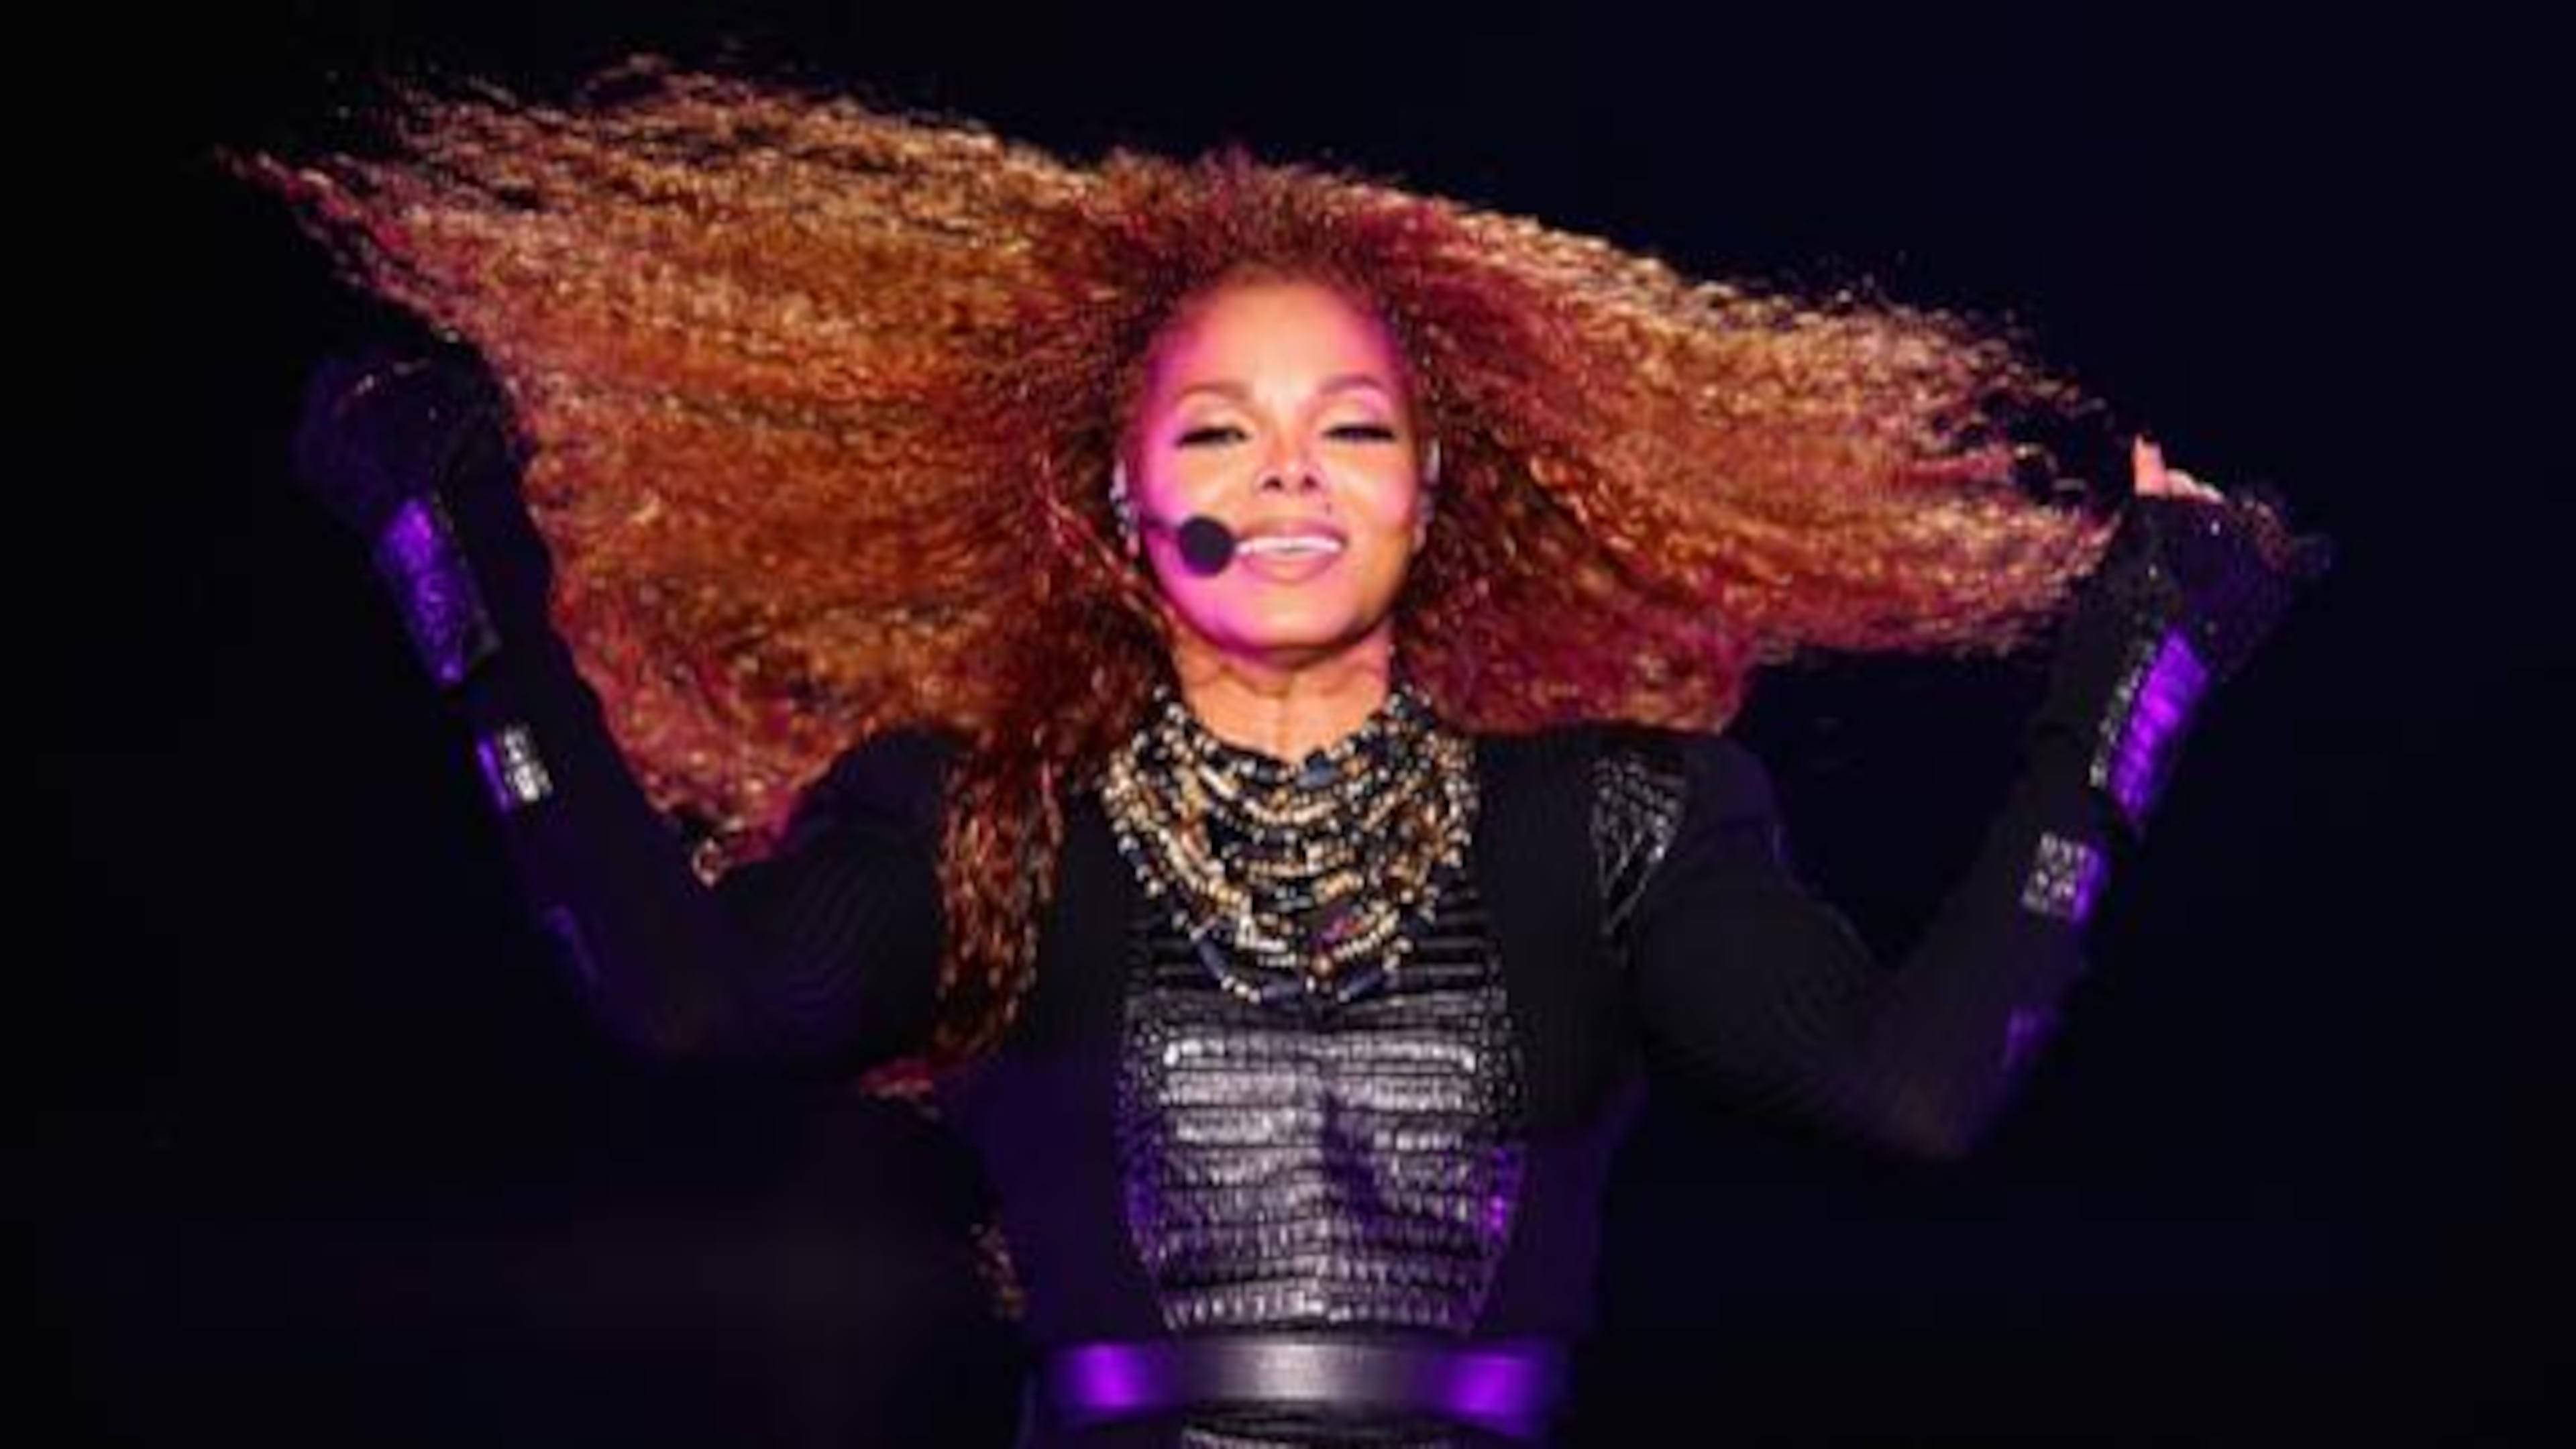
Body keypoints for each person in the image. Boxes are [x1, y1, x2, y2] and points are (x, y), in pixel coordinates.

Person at [224, 56, 2332, 1447]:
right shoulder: (993, 830)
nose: (1293, 473)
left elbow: (1915, 1092)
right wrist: (456, 564)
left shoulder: (1617, 830)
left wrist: (2131, 677)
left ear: (1433, 493)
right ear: (1125, 512)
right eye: (1221, 431)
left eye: (1353, 429)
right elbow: (682, 1002)